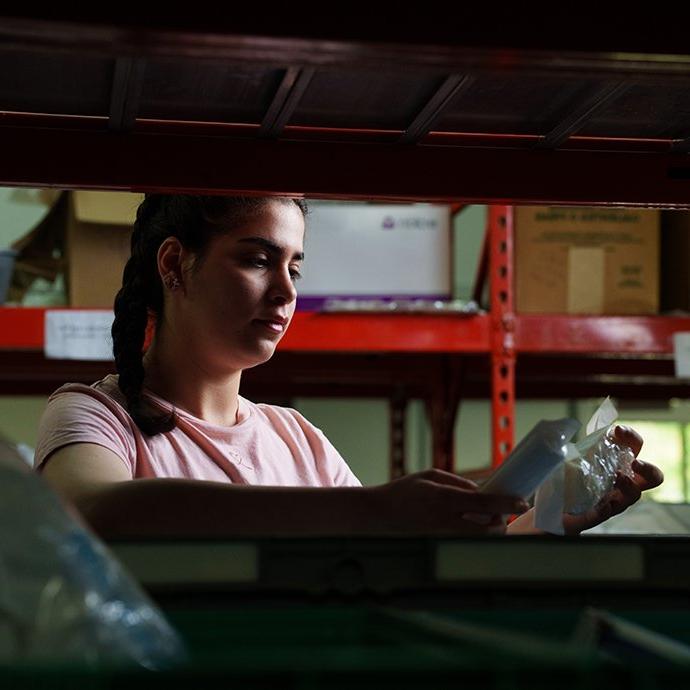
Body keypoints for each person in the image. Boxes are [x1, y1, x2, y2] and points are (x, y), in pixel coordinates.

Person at [33, 195, 662, 539]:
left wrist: (550, 518)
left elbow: (385, 554)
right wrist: (375, 510)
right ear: (174, 266)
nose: (285, 293)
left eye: (295, 268)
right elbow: (92, 510)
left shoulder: (296, 438)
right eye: (256, 260)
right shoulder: (96, 415)